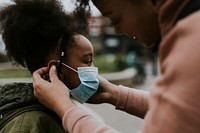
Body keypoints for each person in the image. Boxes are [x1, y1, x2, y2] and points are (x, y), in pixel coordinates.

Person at [33, 0, 200, 133]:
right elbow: (181, 114)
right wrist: (112, 93)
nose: (119, 30)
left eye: (115, 19)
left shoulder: (192, 47)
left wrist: (64, 108)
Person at [0, 0, 102, 132]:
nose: (93, 69)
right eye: (88, 61)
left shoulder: (59, 112)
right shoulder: (27, 125)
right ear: (55, 69)